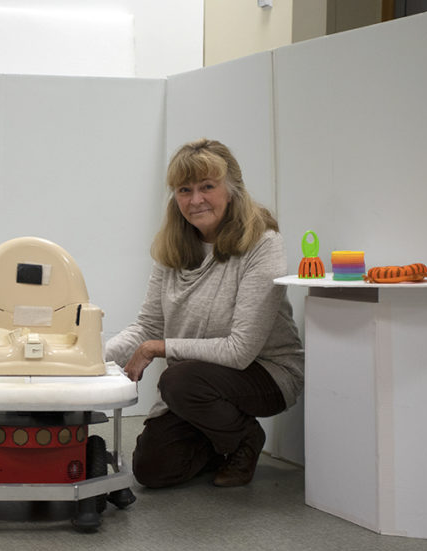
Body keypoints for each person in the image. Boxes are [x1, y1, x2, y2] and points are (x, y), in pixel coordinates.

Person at [105, 139, 304, 489]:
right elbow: (147, 325)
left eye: (207, 187)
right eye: (185, 190)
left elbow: (240, 351)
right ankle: (218, 439)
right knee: (152, 469)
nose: (195, 200)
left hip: (265, 373)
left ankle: (245, 439)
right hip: (198, 383)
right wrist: (88, 361)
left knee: (179, 380)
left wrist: (157, 348)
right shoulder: (173, 246)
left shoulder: (264, 243)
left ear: (231, 189)